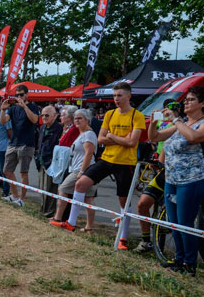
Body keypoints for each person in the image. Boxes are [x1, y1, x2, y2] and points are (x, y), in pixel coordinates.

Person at [51, 82, 146, 251]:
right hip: (107, 159)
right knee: (80, 184)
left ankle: (123, 237)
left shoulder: (136, 115)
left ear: (128, 96)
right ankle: (71, 223)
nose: (116, 99)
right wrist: (120, 138)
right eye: (115, 96)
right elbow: (101, 139)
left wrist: (112, 135)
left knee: (123, 200)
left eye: (120, 95)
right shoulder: (109, 114)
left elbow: (132, 143)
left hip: (125, 163)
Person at [148, 86, 204, 275]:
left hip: (192, 179)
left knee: (185, 222)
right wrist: (153, 122)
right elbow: (156, 137)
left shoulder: (201, 123)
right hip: (171, 179)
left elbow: (194, 137)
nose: (186, 103)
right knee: (173, 222)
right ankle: (178, 260)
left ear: (203, 103)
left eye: (191, 100)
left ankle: (190, 263)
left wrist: (176, 119)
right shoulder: (179, 124)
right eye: (186, 100)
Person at [133, 99, 175, 253]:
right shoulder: (164, 123)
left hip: (184, 173)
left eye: (173, 108)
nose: (168, 111)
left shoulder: (181, 124)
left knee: (173, 210)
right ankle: (146, 241)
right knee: (142, 204)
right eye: (166, 108)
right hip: (163, 166)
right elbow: (158, 141)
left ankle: (182, 257)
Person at [50, 109, 98, 232]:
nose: (77, 120)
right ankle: (89, 227)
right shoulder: (81, 134)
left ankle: (58, 218)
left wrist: (81, 171)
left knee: (63, 189)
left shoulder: (88, 134)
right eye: (76, 118)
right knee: (88, 198)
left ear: (87, 120)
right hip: (80, 169)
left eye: (80, 118)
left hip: (83, 169)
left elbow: (89, 154)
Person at [0, 84, 41, 206]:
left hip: (27, 144)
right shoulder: (13, 109)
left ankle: (22, 200)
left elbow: (35, 120)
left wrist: (24, 106)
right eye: (16, 95)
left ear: (27, 95)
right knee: (7, 170)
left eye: (21, 95)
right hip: (13, 142)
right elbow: (3, 121)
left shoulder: (33, 107)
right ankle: (14, 195)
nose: (19, 97)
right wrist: (3, 110)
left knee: (23, 172)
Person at [36, 105, 63, 217]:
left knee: (50, 188)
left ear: (55, 116)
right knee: (42, 187)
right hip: (41, 161)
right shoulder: (43, 127)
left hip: (51, 163)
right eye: (42, 115)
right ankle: (43, 208)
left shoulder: (59, 128)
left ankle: (49, 211)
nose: (44, 117)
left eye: (47, 115)